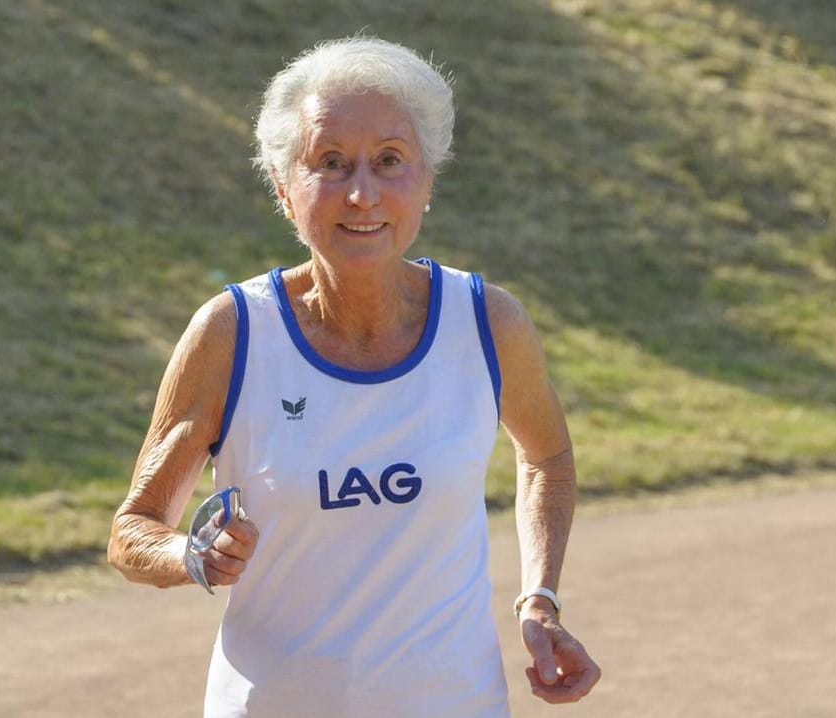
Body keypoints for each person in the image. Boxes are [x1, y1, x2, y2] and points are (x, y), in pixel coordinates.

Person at [109, 36, 600, 717]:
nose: (362, 193)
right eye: (329, 163)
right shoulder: (232, 333)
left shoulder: (487, 323)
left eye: (390, 161)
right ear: (284, 190)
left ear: (426, 180)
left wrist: (538, 599)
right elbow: (133, 529)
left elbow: (547, 457)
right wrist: (189, 554)